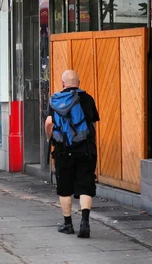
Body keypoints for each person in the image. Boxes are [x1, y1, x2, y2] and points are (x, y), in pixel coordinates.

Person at [44, 70, 99, 238]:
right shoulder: (87, 98)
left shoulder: (55, 100)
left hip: (62, 150)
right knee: (85, 185)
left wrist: (50, 139)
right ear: (79, 82)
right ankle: (85, 221)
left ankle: (68, 224)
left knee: (65, 188)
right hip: (85, 149)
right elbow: (93, 124)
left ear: (62, 83)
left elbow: (48, 123)